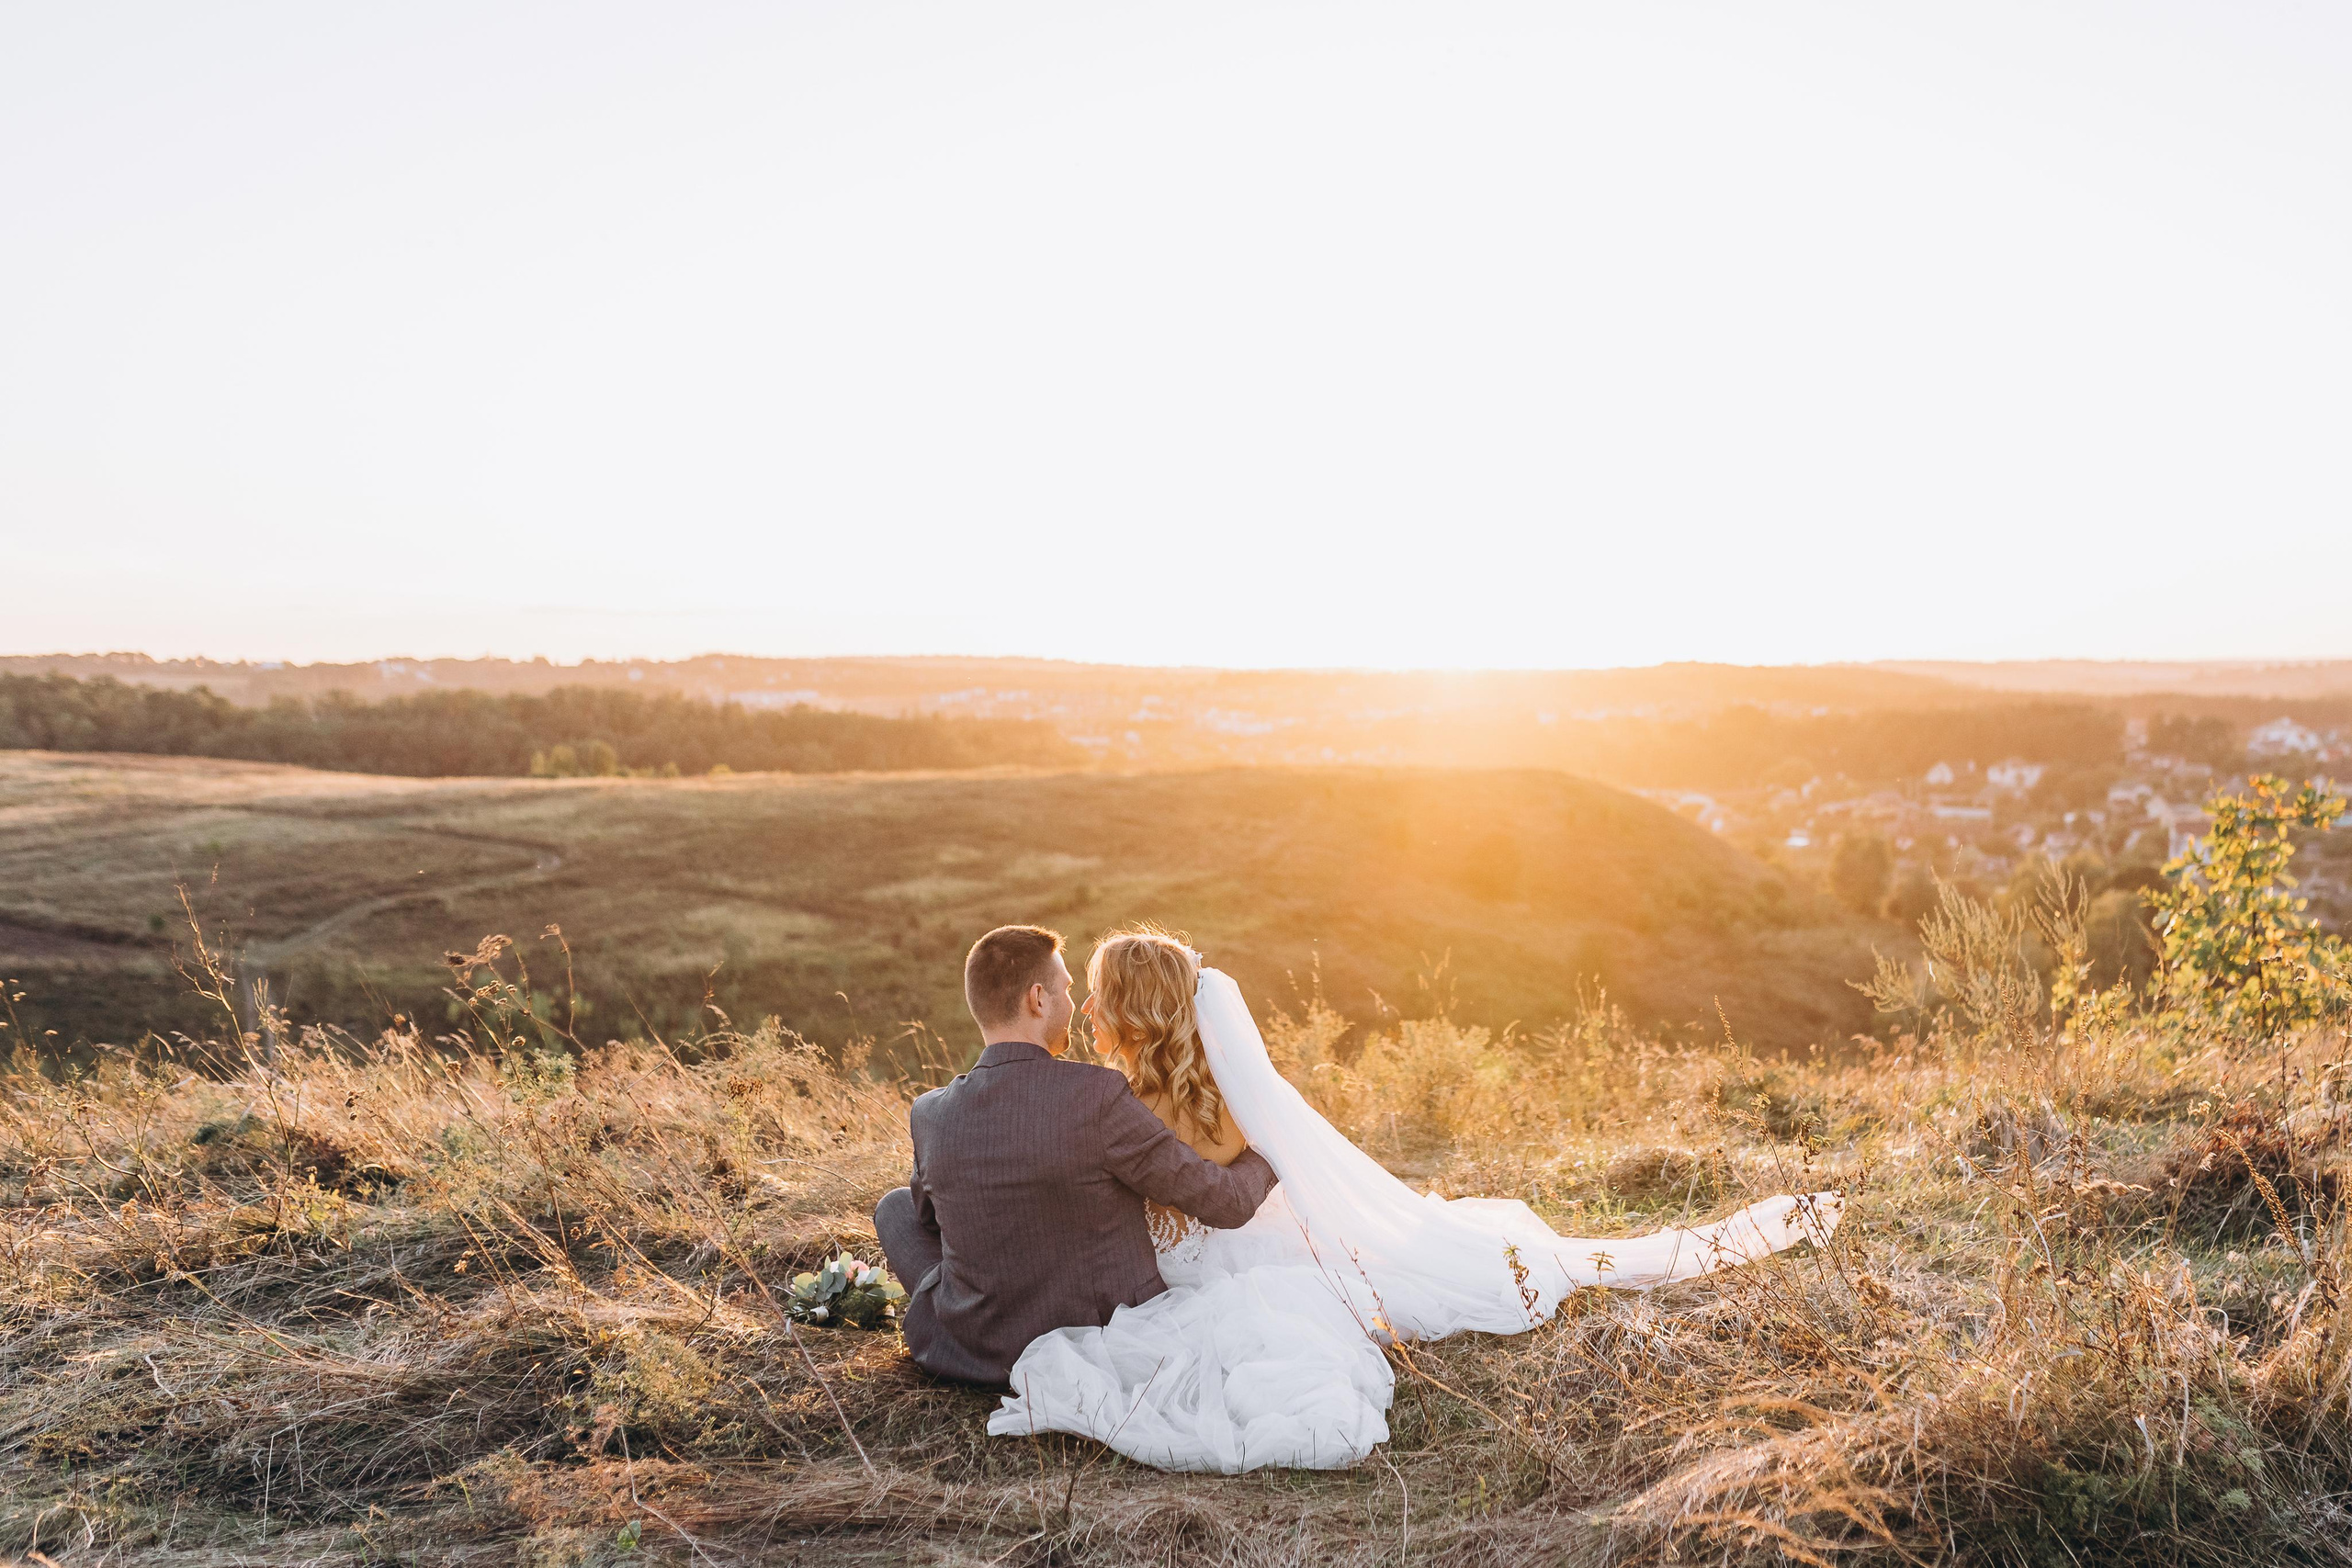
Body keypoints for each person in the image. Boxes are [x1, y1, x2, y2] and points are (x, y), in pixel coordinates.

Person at [986, 925, 1843, 1472]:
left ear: (1129, 1008)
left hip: (1207, 1266)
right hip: (1261, 1238)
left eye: (1099, 990)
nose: (1087, 1004)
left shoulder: (1118, 1104)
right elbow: (1257, 1168)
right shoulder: (1226, 1097)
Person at [871, 924, 1279, 1387]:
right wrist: (1272, 1153)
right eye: (1067, 990)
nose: (1077, 1005)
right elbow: (1225, 1203)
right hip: (1096, 1334)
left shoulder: (930, 1112)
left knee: (894, 1208)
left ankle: (972, 1312)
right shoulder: (1098, 1096)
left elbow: (929, 1223)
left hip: (967, 1351)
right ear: (1038, 999)